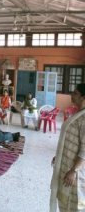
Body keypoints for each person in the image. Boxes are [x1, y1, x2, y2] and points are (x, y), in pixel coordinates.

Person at [50, 83, 85, 212]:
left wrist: (74, 170)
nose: (72, 95)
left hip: (77, 172)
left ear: (83, 97)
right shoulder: (77, 114)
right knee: (65, 201)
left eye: (75, 93)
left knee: (77, 203)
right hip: (66, 166)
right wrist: (58, 156)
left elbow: (84, 150)